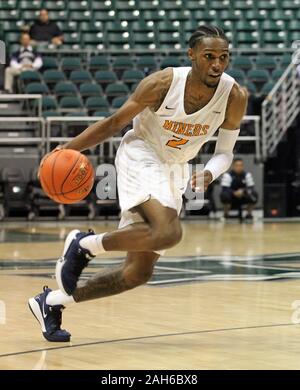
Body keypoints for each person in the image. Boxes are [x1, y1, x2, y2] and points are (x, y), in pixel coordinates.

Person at [28, 25, 248, 342]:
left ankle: (50, 303)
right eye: (209, 56)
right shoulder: (163, 83)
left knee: (137, 273)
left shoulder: (235, 96)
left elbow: (224, 153)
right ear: (192, 55)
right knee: (168, 232)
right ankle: (84, 245)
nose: (217, 64)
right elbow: (114, 123)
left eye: (223, 57)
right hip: (141, 154)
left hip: (177, 168)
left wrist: (209, 173)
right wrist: (68, 149)